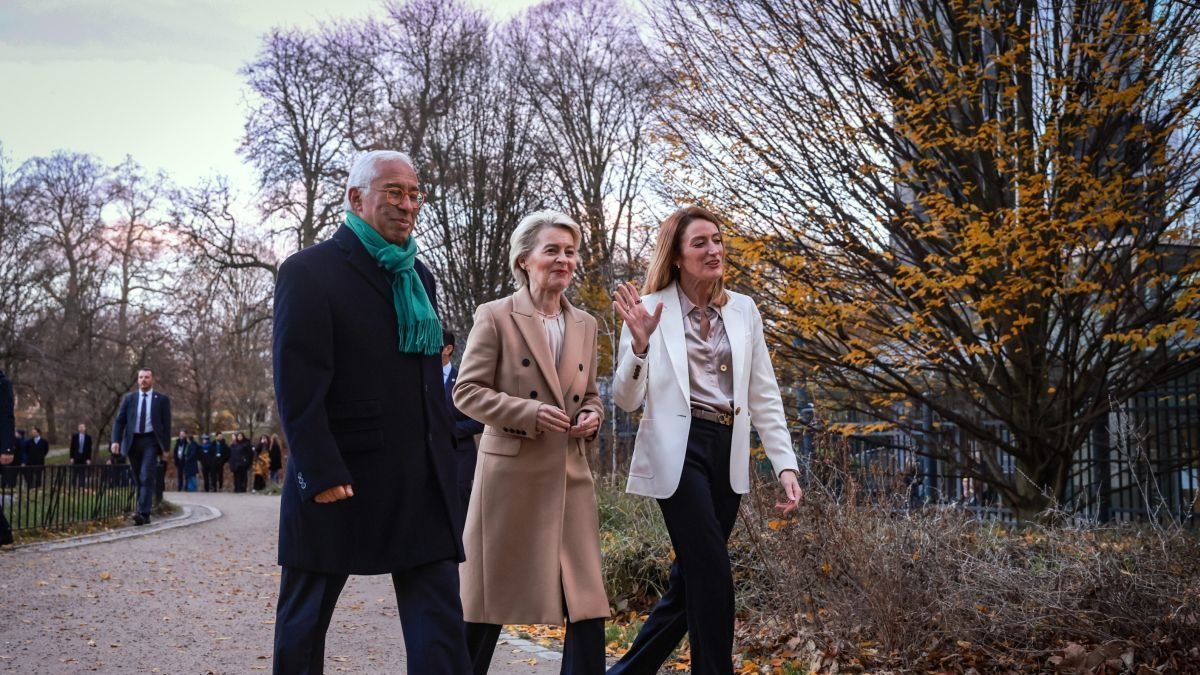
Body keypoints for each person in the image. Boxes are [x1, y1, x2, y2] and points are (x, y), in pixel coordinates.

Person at [271, 149, 469, 674]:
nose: (407, 204)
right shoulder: (308, 272)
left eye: (414, 193)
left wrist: (447, 452)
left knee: (440, 622)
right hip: (343, 474)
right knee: (304, 621)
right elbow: (298, 385)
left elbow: (428, 383)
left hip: (420, 475)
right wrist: (319, 469)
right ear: (356, 198)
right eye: (394, 192)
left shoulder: (419, 276)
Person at [609, 205, 802, 675]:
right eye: (700, 243)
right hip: (678, 452)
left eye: (717, 240)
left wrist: (785, 463)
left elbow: (764, 393)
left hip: (728, 452)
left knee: (691, 579)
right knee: (713, 572)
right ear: (677, 255)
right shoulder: (649, 309)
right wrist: (638, 346)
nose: (713, 249)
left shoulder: (744, 310)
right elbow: (626, 399)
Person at [454, 210, 607, 675]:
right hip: (510, 482)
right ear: (525, 260)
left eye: (570, 251)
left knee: (587, 604)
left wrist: (591, 417)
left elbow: (593, 396)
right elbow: (466, 392)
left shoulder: (587, 324)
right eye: (552, 250)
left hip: (570, 479)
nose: (564, 260)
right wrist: (528, 412)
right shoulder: (496, 316)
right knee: (485, 606)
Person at [111, 368, 172, 525]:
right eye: (141, 377)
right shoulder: (129, 398)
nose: (143, 380)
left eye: (147, 377)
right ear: (137, 380)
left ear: (152, 379)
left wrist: (165, 448)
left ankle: (143, 513)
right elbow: (120, 421)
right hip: (133, 441)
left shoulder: (162, 400)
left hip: (151, 441)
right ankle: (143, 510)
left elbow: (167, 425)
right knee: (138, 478)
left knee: (146, 476)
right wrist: (115, 441)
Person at [442, 330, 484, 514]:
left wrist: (448, 430)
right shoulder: (421, 382)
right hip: (430, 462)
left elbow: (478, 421)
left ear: (448, 349)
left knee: (461, 515)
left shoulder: (463, 382)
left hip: (460, 460)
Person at [0, 370, 15, 545]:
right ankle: (4, 533)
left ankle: (4, 532)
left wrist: (7, 448)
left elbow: (6, 418)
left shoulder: (3, 384)